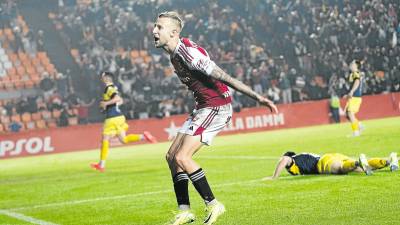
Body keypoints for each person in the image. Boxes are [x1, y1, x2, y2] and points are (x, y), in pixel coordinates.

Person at [152, 11, 278, 225]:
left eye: (159, 27)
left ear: (173, 32)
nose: (154, 31)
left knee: (183, 157)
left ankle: (213, 204)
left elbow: (223, 76)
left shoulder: (188, 54)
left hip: (217, 107)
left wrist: (259, 98)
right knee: (171, 156)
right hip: (203, 106)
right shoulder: (173, 53)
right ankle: (185, 211)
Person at [90, 71, 157, 172]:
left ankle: (101, 165)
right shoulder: (114, 88)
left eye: (103, 78)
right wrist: (109, 104)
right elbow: (120, 100)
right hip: (119, 117)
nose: (101, 79)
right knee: (123, 140)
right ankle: (144, 136)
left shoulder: (109, 88)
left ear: (107, 79)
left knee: (105, 138)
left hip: (112, 118)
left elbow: (116, 99)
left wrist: (106, 104)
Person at [263, 151, 398, 180]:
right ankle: (388, 160)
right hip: (331, 156)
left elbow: (284, 159)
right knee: (361, 169)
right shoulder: (303, 156)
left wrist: (274, 177)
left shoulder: (293, 160)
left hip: (322, 163)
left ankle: (358, 161)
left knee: (340, 169)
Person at [344, 60, 364, 136]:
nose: (351, 64)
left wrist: (352, 91)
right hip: (354, 96)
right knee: (347, 114)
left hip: (355, 97)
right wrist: (349, 94)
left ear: (356, 66)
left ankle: (356, 132)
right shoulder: (354, 74)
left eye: (352, 64)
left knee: (350, 113)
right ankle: (359, 125)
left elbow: (357, 82)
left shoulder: (355, 73)